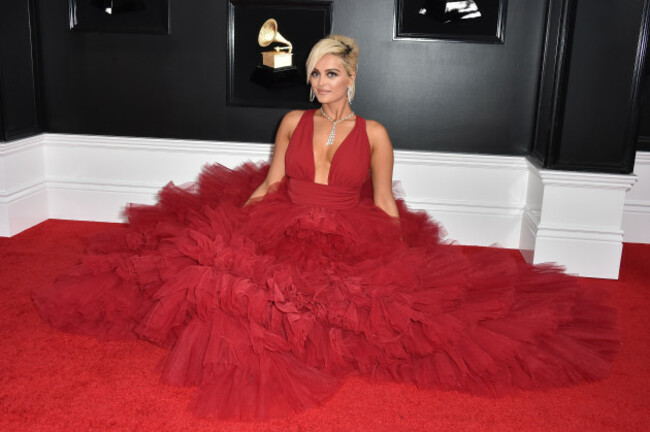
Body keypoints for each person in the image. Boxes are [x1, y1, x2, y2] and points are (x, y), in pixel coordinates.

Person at [33, 35, 619, 421]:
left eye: (331, 73)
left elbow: (384, 200)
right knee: (229, 284)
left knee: (357, 305)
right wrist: (240, 221)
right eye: (314, 74)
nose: (319, 83)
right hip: (282, 215)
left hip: (348, 224)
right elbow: (270, 181)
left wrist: (401, 249)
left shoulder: (379, 134)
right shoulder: (292, 119)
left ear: (352, 77)